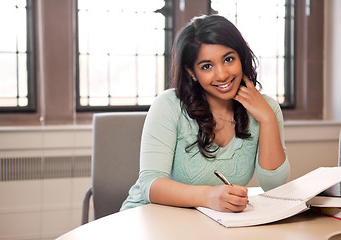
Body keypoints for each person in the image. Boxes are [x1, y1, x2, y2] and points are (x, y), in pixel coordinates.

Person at [120, 15, 290, 213]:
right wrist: (208, 196)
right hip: (148, 216)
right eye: (207, 66)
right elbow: (150, 184)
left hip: (210, 223)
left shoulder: (265, 109)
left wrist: (268, 119)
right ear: (191, 72)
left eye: (228, 59)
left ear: (241, 58)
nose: (222, 75)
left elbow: (274, 186)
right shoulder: (169, 105)